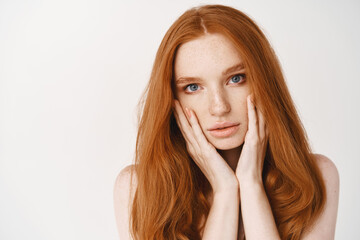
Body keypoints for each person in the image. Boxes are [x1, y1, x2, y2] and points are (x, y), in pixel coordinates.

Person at [113, 4, 339, 240]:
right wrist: (225, 191)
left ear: (264, 83)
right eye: (193, 87)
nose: (219, 107)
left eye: (236, 79)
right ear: (172, 100)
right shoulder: (136, 189)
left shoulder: (316, 177)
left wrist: (251, 185)